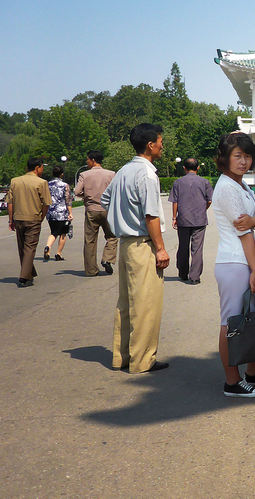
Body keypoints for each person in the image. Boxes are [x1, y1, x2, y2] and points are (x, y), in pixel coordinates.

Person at [212, 131, 255, 398]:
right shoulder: (228, 188)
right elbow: (244, 231)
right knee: (231, 323)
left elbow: (254, 219)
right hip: (235, 263)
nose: (243, 161)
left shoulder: (240, 185)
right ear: (225, 158)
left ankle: (253, 373)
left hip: (244, 262)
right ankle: (232, 381)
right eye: (237, 156)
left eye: (247, 155)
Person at [100, 123, 170, 373]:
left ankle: (123, 356)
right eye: (161, 141)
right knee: (146, 304)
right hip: (142, 244)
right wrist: (160, 249)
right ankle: (142, 360)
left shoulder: (123, 170)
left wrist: (122, 218)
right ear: (151, 145)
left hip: (126, 244)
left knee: (127, 303)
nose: (163, 145)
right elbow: (151, 215)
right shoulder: (148, 174)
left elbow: (105, 200)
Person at [6, 157, 51, 287]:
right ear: (37, 168)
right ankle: (24, 277)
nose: (43, 170)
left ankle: (29, 274)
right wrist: (41, 217)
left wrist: (11, 219)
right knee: (30, 248)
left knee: (22, 247)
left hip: (19, 218)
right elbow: (46, 204)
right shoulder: (41, 182)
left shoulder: (15, 181)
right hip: (33, 218)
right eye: (42, 167)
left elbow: (10, 202)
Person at [169, 158, 213, 285]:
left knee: (183, 246)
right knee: (197, 248)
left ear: (184, 168)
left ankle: (183, 273)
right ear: (198, 168)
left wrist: (174, 217)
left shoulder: (178, 182)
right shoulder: (205, 182)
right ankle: (194, 277)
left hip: (183, 218)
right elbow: (209, 200)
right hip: (199, 219)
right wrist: (202, 209)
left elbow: (175, 201)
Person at [75, 150, 117, 276]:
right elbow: (115, 191)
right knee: (112, 236)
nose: (86, 162)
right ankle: (107, 258)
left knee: (90, 240)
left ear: (93, 160)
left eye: (87, 160)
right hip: (107, 210)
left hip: (91, 210)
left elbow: (77, 192)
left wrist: (86, 196)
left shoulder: (84, 175)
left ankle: (91, 270)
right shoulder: (111, 174)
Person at [44, 165, 73, 261]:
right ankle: (58, 254)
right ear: (62, 174)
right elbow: (68, 200)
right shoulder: (65, 185)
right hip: (62, 212)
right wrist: (70, 213)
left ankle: (48, 246)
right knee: (63, 233)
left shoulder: (47, 184)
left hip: (51, 212)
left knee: (53, 232)